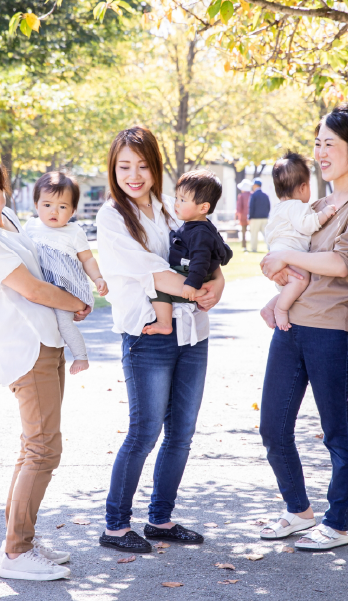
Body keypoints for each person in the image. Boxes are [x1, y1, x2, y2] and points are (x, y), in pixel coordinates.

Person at [0, 146, 90, 581]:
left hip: (45, 342)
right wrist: (77, 301)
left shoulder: (7, 218)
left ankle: (22, 538)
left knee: (35, 447)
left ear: (3, 186)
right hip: (23, 352)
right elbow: (31, 288)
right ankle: (15, 552)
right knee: (44, 449)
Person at [96, 126, 225, 553]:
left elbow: (206, 249)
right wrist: (194, 288)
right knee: (144, 431)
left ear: (156, 167)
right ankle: (116, 526)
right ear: (113, 169)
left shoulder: (173, 208)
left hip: (192, 333)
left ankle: (161, 519)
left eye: (143, 166)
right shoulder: (111, 217)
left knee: (181, 433)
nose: (134, 175)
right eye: (124, 166)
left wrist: (217, 284)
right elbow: (154, 270)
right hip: (148, 335)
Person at [257, 104, 348, 550]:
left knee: (337, 432)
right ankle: (298, 510)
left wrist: (287, 259)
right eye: (318, 144)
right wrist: (279, 283)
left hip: (336, 330)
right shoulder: (315, 204)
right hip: (292, 329)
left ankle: (338, 523)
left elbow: (343, 264)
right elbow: (294, 257)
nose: (322, 152)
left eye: (331, 144)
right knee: (272, 426)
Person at [24, 172, 109, 375]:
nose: (54, 211)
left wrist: (97, 278)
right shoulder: (31, 226)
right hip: (40, 284)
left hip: (65, 287)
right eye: (47, 205)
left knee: (64, 323)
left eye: (62, 207)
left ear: (72, 210)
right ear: (36, 205)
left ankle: (81, 357)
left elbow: (87, 259)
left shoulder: (74, 232)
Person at [143, 169, 233, 336]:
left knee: (156, 288)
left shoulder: (199, 232)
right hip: (192, 272)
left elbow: (201, 260)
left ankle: (164, 322)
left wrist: (191, 284)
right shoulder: (200, 225)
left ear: (203, 207)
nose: (176, 203)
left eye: (183, 200)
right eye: (177, 198)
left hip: (192, 274)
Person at [259, 151, 337, 331]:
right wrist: (323, 215)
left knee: (290, 286)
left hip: (277, 254)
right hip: (289, 255)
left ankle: (269, 307)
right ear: (303, 188)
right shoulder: (297, 206)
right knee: (301, 280)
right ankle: (280, 309)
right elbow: (307, 225)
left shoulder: (279, 208)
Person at [247, 179, 271, 252]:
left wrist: (250, 217)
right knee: (266, 234)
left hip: (255, 218)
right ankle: (270, 247)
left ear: (255, 185)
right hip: (264, 217)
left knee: (254, 234)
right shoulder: (265, 195)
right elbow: (269, 206)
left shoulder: (253, 195)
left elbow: (251, 207)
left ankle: (254, 249)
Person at [236, 179, 252, 250]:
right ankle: (252, 246)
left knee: (243, 232)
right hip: (252, 216)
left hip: (243, 217)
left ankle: (244, 246)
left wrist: (237, 216)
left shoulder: (241, 196)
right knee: (253, 232)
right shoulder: (252, 194)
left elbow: (239, 207)